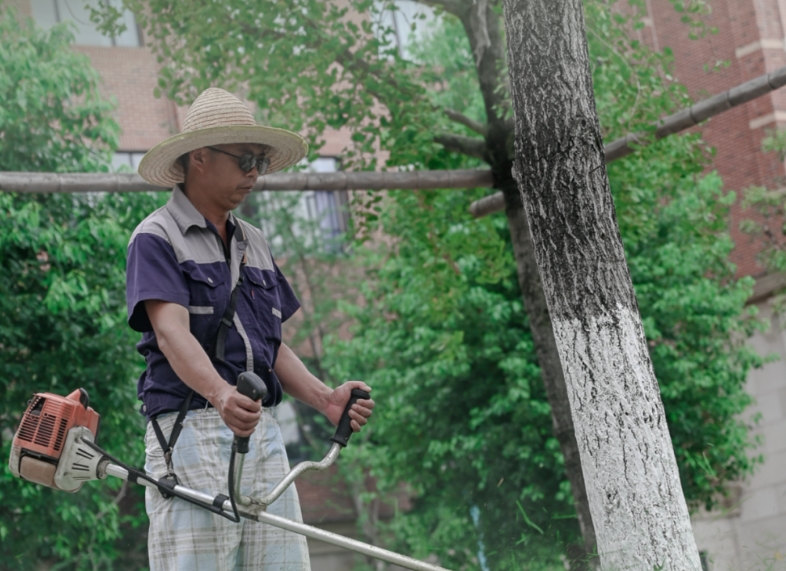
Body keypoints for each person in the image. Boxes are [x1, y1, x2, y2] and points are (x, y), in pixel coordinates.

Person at [127, 87, 374, 570]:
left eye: (260, 160)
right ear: (200, 157)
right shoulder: (156, 237)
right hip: (192, 428)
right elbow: (171, 333)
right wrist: (221, 395)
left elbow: (270, 345)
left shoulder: (252, 242)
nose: (255, 173)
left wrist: (326, 399)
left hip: (261, 431)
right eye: (244, 159)